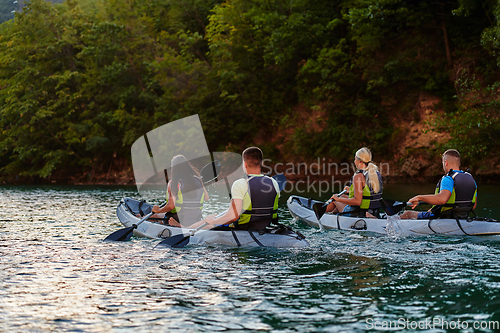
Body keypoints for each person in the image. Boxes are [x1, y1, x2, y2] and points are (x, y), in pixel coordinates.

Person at [197, 147, 280, 232]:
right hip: (267, 227)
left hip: (245, 228)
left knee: (207, 226)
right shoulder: (274, 182)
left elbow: (233, 216)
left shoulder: (240, 184)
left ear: (244, 164)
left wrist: (212, 221)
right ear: (262, 163)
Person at [400, 149, 477, 219]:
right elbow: (473, 206)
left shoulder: (448, 178)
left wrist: (419, 198)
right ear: (459, 163)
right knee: (429, 212)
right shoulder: (470, 178)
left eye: (443, 163)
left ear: (446, 163)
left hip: (444, 217)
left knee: (407, 213)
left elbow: (442, 200)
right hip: (462, 216)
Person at [151, 155, 209, 227]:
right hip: (196, 219)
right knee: (159, 215)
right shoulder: (199, 180)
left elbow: (171, 206)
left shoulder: (173, 184)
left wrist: (158, 210)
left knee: (156, 216)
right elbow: (206, 198)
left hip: (179, 219)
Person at [325, 147, 383, 218]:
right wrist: (352, 190)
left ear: (360, 161)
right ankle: (332, 215)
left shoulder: (358, 176)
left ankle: (320, 214)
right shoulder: (375, 173)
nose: (354, 161)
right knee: (342, 196)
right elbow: (367, 192)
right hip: (374, 212)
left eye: (355, 159)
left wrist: (337, 199)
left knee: (335, 199)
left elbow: (357, 201)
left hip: (358, 213)